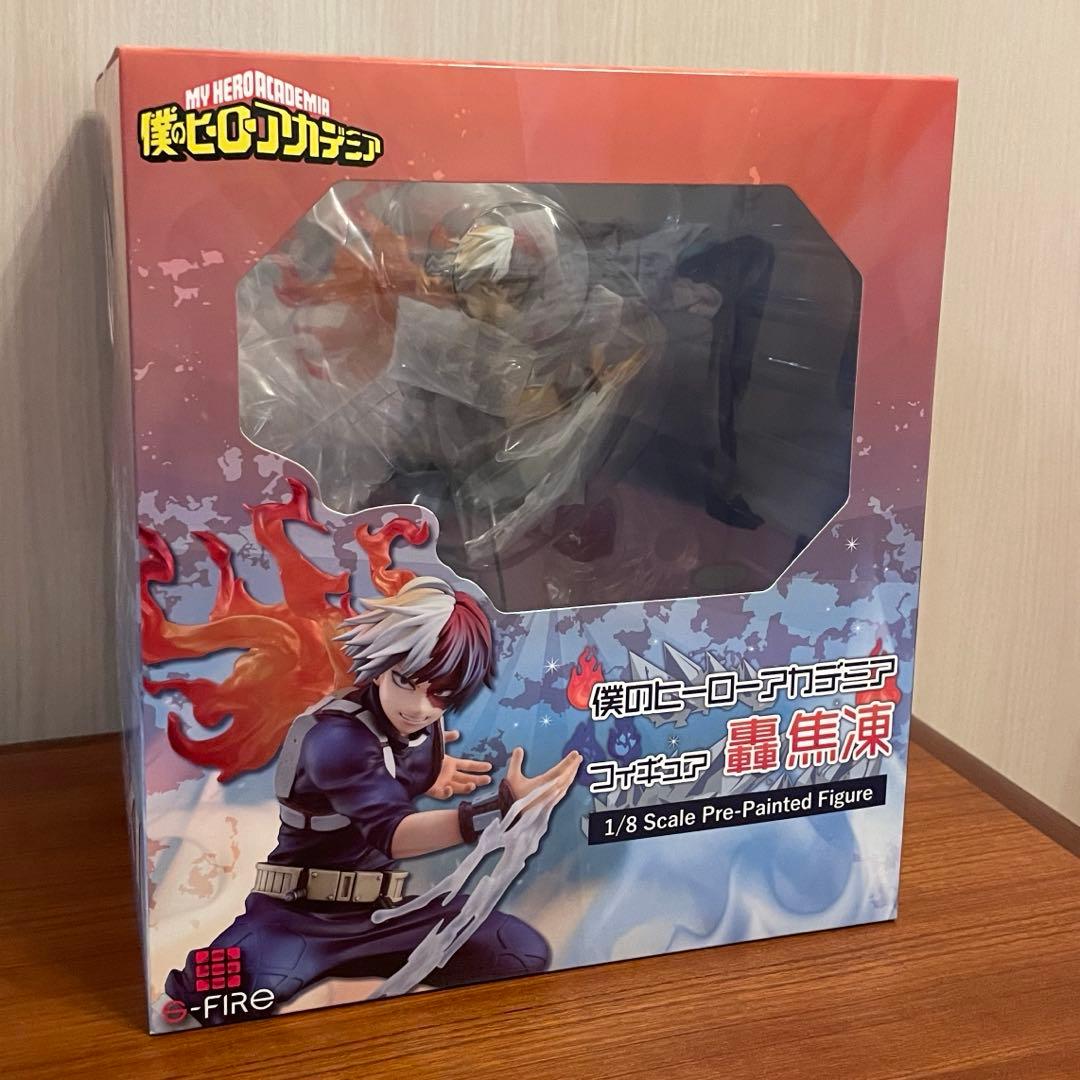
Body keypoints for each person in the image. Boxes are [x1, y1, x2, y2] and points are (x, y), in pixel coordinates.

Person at [164, 572, 579, 1024]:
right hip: (296, 919)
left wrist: (430, 774)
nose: (419, 707)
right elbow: (393, 834)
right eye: (405, 681)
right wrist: (500, 809)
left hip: (381, 918)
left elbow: (398, 769)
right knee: (217, 994)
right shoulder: (335, 737)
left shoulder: (421, 730)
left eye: (440, 693)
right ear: (381, 665)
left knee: (517, 952)